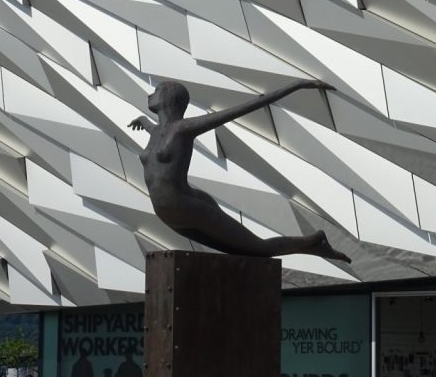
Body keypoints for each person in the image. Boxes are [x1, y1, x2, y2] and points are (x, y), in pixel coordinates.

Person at [128, 79, 351, 261]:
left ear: (169, 98)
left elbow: (245, 108)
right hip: (168, 213)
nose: (150, 95)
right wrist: (142, 121)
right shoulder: (156, 130)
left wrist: (298, 85)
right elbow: (153, 132)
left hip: (188, 207)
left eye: (156, 90)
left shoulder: (183, 129)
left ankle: (313, 241)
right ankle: (311, 246)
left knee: (257, 248)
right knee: (242, 251)